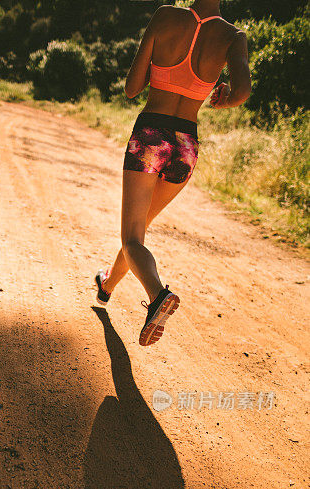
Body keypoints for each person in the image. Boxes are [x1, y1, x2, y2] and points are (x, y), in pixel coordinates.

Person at [95, 0, 251, 346]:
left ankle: (157, 296)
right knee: (138, 231)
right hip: (186, 146)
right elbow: (242, 90)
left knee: (132, 238)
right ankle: (107, 285)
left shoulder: (166, 16)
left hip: (152, 133)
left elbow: (131, 87)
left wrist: (162, 70)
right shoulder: (233, 36)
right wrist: (225, 98)